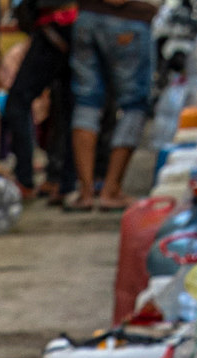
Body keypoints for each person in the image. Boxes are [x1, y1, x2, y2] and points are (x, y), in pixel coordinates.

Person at [70, 0, 159, 208]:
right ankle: (110, 190)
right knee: (134, 104)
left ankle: (85, 193)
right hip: (130, 17)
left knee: (87, 101)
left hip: (88, 15)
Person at [2, 1, 78, 199]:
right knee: (67, 107)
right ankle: (64, 182)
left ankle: (26, 179)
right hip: (69, 24)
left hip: (55, 24)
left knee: (17, 103)